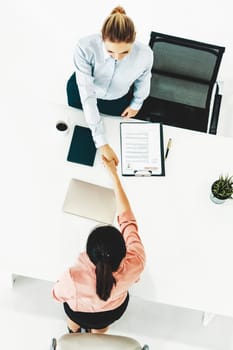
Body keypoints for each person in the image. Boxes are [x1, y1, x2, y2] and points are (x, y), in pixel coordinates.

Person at [52, 156, 145, 333]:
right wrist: (114, 176)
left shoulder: (74, 276)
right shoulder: (136, 262)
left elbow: (56, 295)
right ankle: (96, 336)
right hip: (110, 312)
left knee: (73, 320)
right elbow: (128, 221)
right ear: (124, 251)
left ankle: (73, 332)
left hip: (79, 313)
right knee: (101, 328)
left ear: (89, 254)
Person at [67, 6, 153, 165]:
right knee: (77, 130)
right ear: (102, 37)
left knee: (114, 134)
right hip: (82, 95)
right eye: (110, 52)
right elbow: (87, 95)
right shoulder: (84, 47)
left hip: (117, 100)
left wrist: (137, 103)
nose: (117, 58)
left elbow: (144, 79)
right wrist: (102, 143)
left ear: (134, 38)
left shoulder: (145, 54)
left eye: (125, 52)